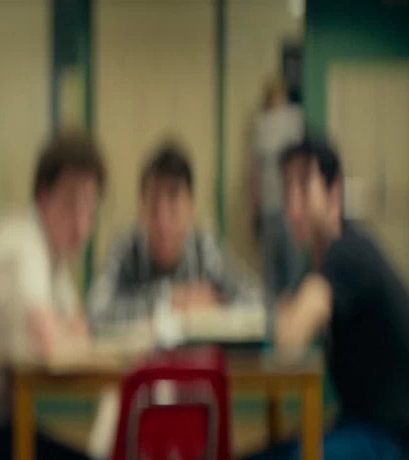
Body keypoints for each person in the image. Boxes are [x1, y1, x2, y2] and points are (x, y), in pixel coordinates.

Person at [0, 132, 104, 460]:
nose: (81, 223)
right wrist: (61, 333)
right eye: (71, 203)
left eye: (89, 208)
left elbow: (78, 330)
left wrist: (64, 332)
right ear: (43, 196)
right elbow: (49, 341)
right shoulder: (24, 245)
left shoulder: (52, 260)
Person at [250, 138, 409, 459]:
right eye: (287, 190)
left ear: (334, 192)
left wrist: (285, 317)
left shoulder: (347, 254)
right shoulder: (322, 261)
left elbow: (289, 339)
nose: (293, 206)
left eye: (303, 187)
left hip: (390, 437)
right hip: (362, 424)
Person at [87, 142, 259, 332]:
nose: (163, 221)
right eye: (153, 205)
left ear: (191, 207)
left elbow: (256, 301)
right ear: (141, 207)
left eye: (173, 205)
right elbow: (95, 313)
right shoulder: (126, 249)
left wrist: (218, 304)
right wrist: (166, 299)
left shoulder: (204, 249)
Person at [249, 78, 305, 303]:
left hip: (279, 208)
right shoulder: (289, 121)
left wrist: (255, 210)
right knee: (285, 273)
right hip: (278, 208)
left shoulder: (275, 123)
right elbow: (254, 173)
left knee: (280, 273)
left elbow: (254, 174)